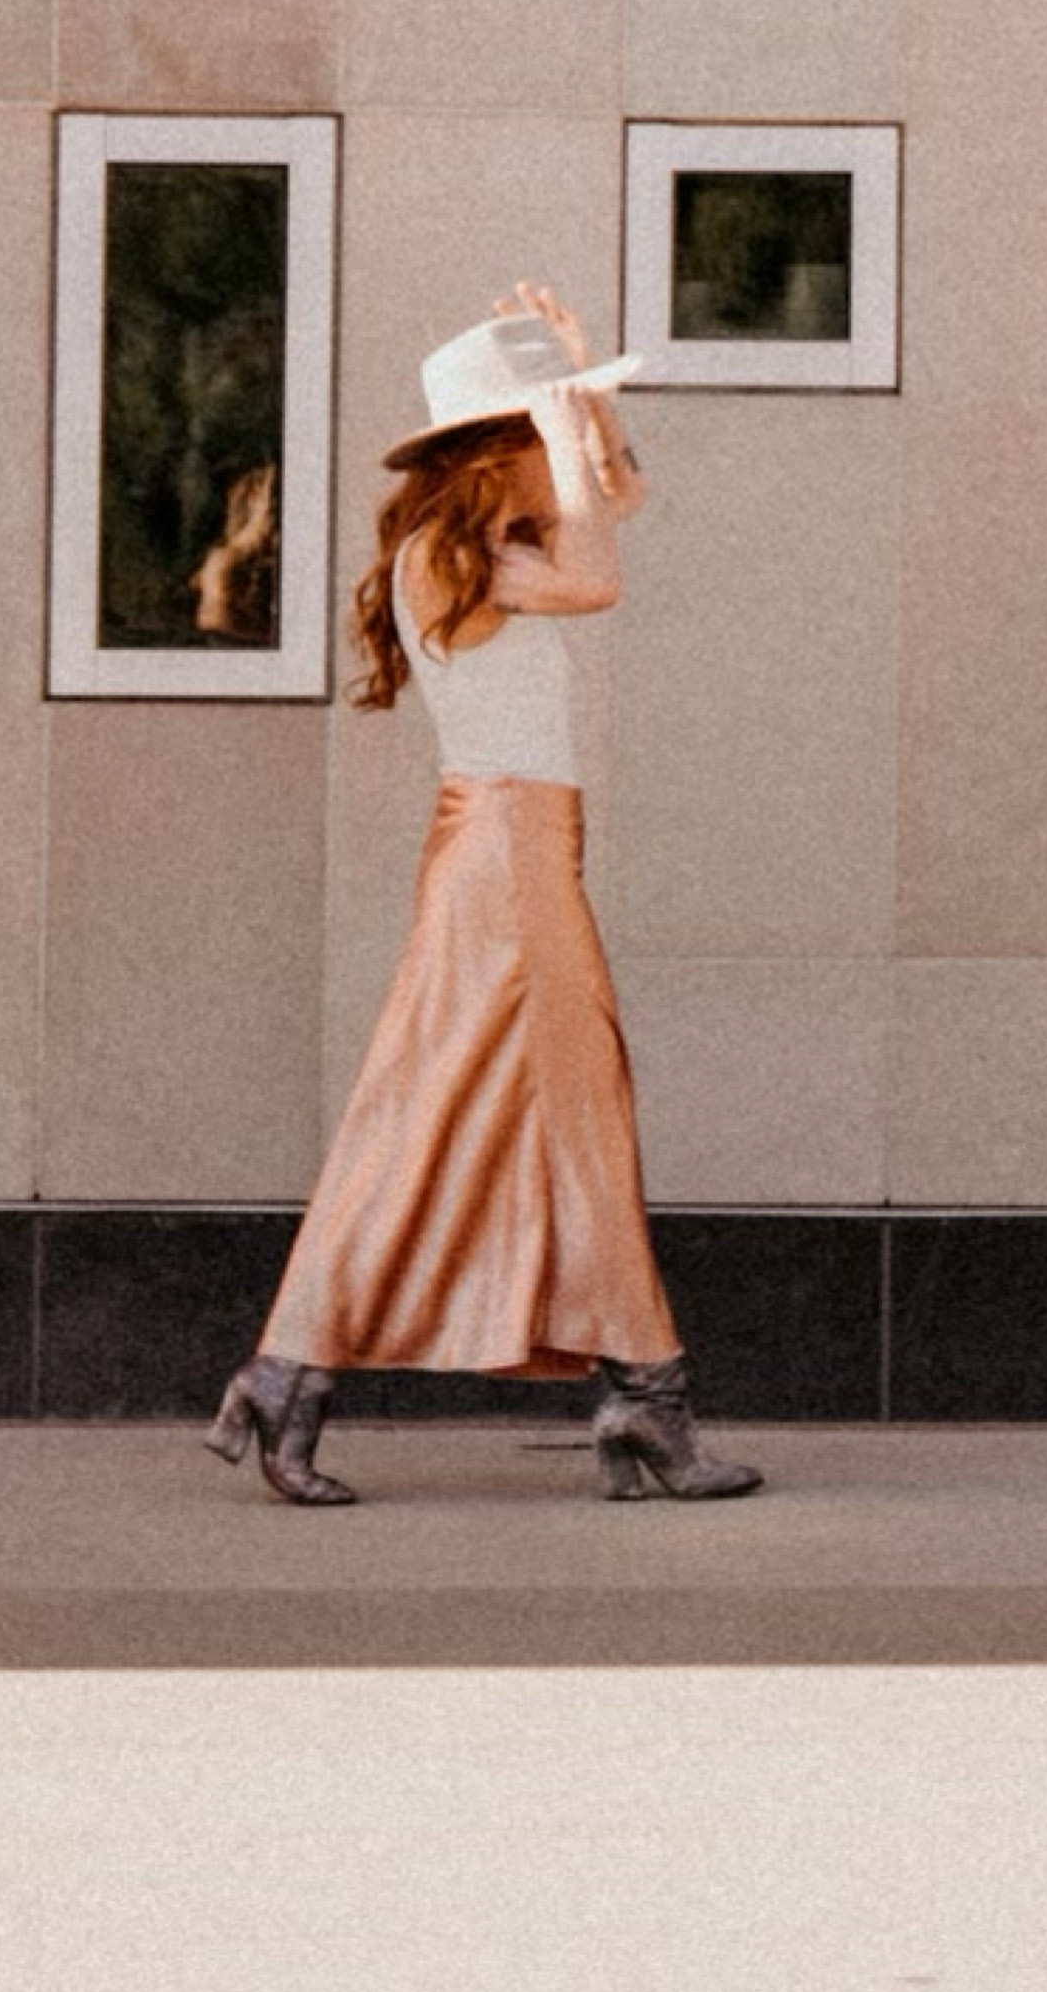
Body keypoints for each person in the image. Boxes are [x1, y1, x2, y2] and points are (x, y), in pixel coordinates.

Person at [207, 280, 761, 1508]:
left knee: (520, 1114)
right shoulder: (452, 554)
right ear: (491, 453)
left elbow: (615, 500)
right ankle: (640, 1401)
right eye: (536, 435)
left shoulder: (492, 547)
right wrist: (569, 424)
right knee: (530, 1112)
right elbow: (603, 572)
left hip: (515, 848)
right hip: (506, 852)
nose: (555, 458)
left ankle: (300, 1374)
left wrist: (574, 387)